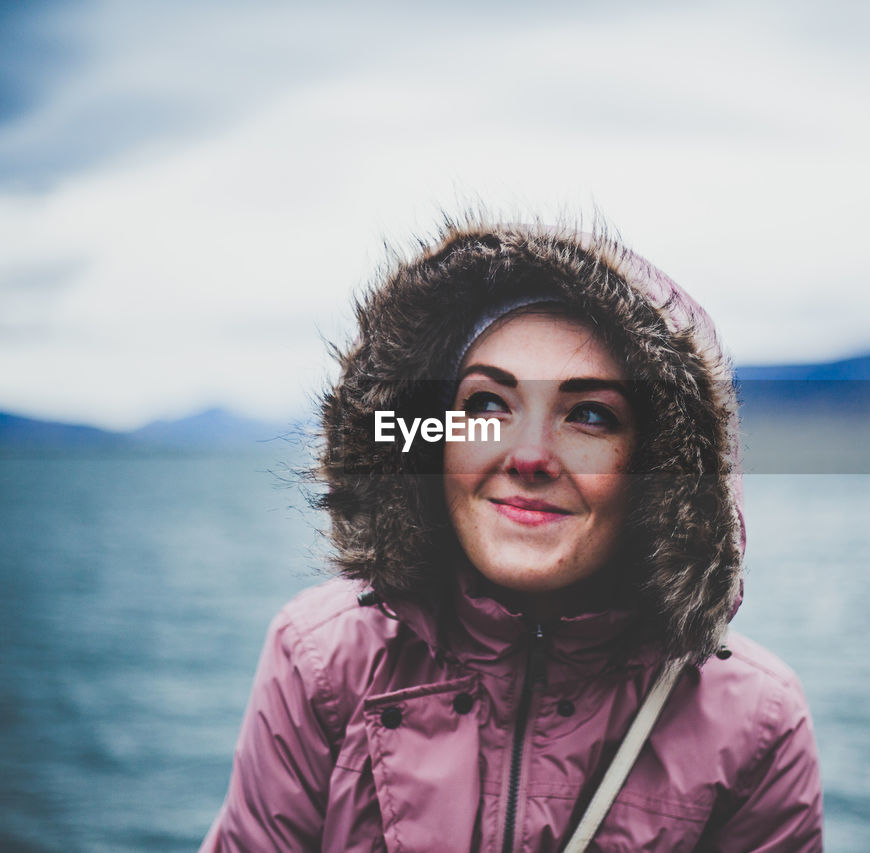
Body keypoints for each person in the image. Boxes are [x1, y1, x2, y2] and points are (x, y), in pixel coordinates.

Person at [200, 219, 823, 851]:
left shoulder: (757, 725)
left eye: (589, 415)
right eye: (486, 405)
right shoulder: (320, 660)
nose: (528, 456)